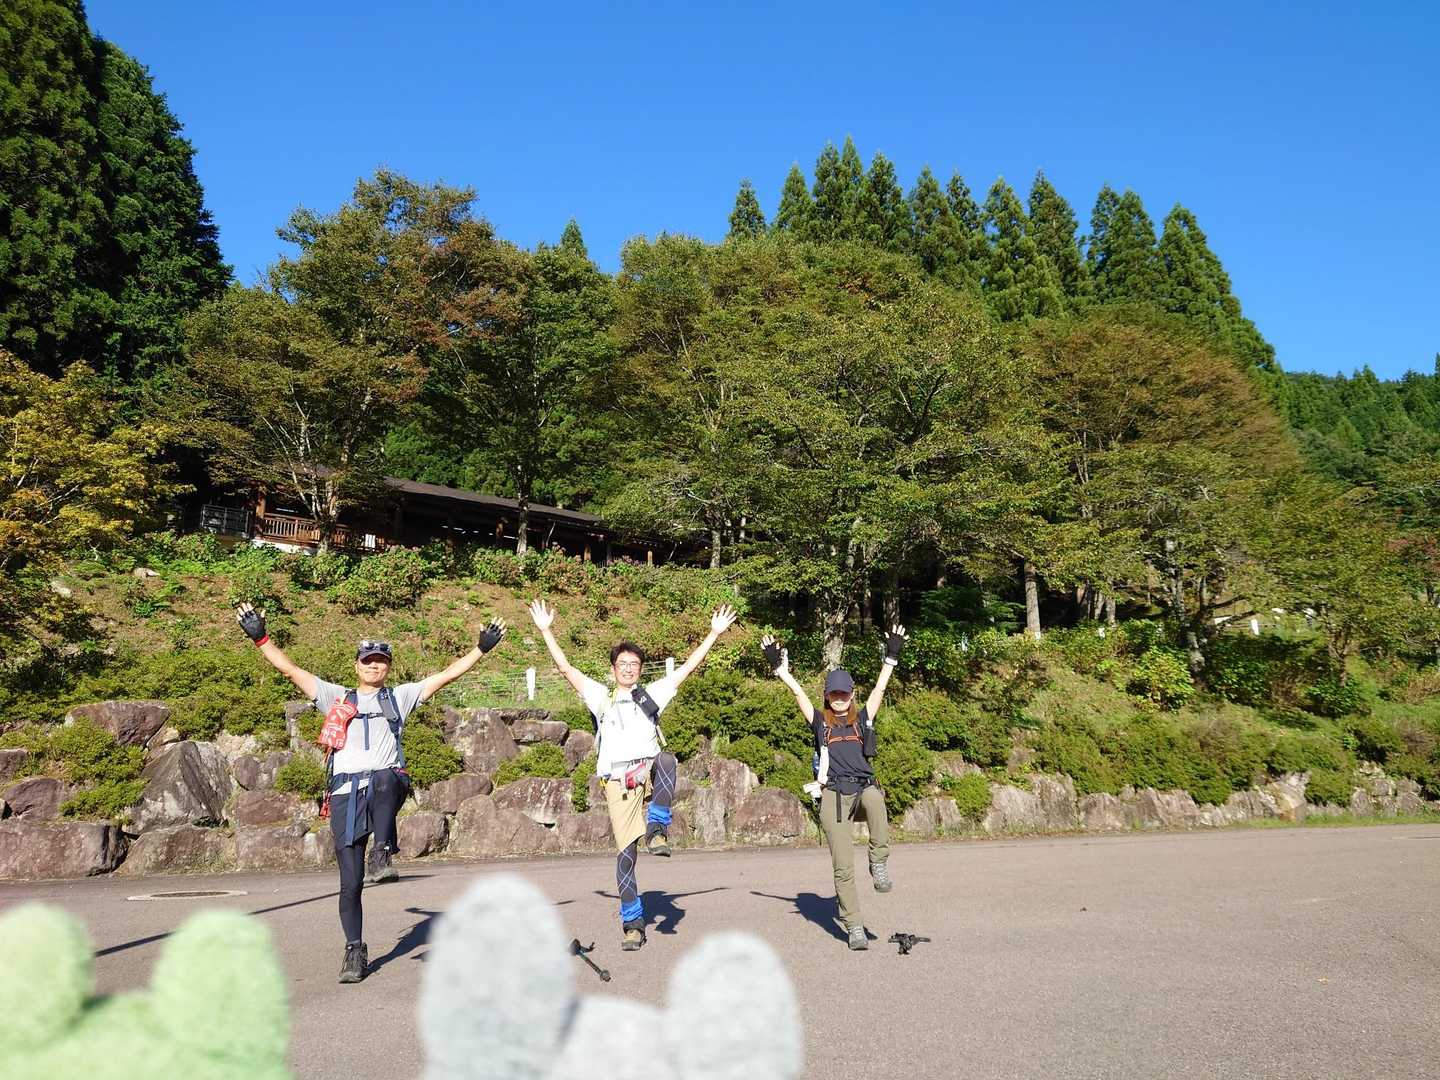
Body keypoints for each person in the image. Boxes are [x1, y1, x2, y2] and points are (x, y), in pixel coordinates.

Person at [234, 600, 505, 983]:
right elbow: (290, 670)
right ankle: (354, 949)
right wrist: (260, 638)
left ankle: (382, 851)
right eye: (368, 661)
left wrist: (481, 648)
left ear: (388, 667)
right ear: (357, 665)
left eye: (381, 661)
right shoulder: (335, 697)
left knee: (384, 777)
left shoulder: (399, 697)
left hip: (385, 784)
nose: (374, 666)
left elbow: (446, 675)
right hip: (345, 792)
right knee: (350, 883)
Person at [528, 598, 737, 951]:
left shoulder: (650, 695)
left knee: (666, 760)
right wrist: (546, 630)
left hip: (648, 768)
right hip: (618, 781)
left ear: (641, 670)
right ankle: (633, 925)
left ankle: (657, 829)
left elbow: (687, 669)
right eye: (622, 664)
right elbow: (565, 669)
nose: (628, 669)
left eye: (634, 664)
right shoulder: (601, 697)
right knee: (626, 857)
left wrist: (713, 634)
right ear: (613, 669)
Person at [761, 626, 907, 951]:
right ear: (827, 696)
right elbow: (799, 695)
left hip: (863, 789)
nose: (839, 699)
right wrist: (780, 670)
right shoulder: (820, 724)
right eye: (834, 694)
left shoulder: (863, 719)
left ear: (852, 695)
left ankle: (878, 862)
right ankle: (854, 926)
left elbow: (880, 690)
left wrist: (891, 658)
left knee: (876, 799)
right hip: (834, 796)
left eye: (844, 694)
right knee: (842, 867)